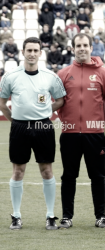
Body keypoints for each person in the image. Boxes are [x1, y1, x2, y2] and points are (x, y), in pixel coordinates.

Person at [0, 37, 66, 230]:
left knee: (47, 171)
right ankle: (16, 215)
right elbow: (2, 103)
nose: (32, 54)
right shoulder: (10, 76)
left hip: (44, 127)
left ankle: (50, 215)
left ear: (40, 53)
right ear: (22, 52)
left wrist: (45, 110)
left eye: (36, 50)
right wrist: (14, 119)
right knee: (18, 171)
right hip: (19, 127)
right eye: (29, 50)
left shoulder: (50, 76)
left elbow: (61, 100)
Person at [57, 33, 105, 229]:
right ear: (73, 48)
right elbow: (58, 102)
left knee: (98, 176)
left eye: (85, 45)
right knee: (68, 176)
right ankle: (66, 216)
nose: (82, 48)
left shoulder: (104, 73)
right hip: (69, 134)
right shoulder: (63, 74)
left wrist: (98, 121)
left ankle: (101, 216)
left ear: (91, 48)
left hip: (95, 134)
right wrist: (67, 121)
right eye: (78, 45)